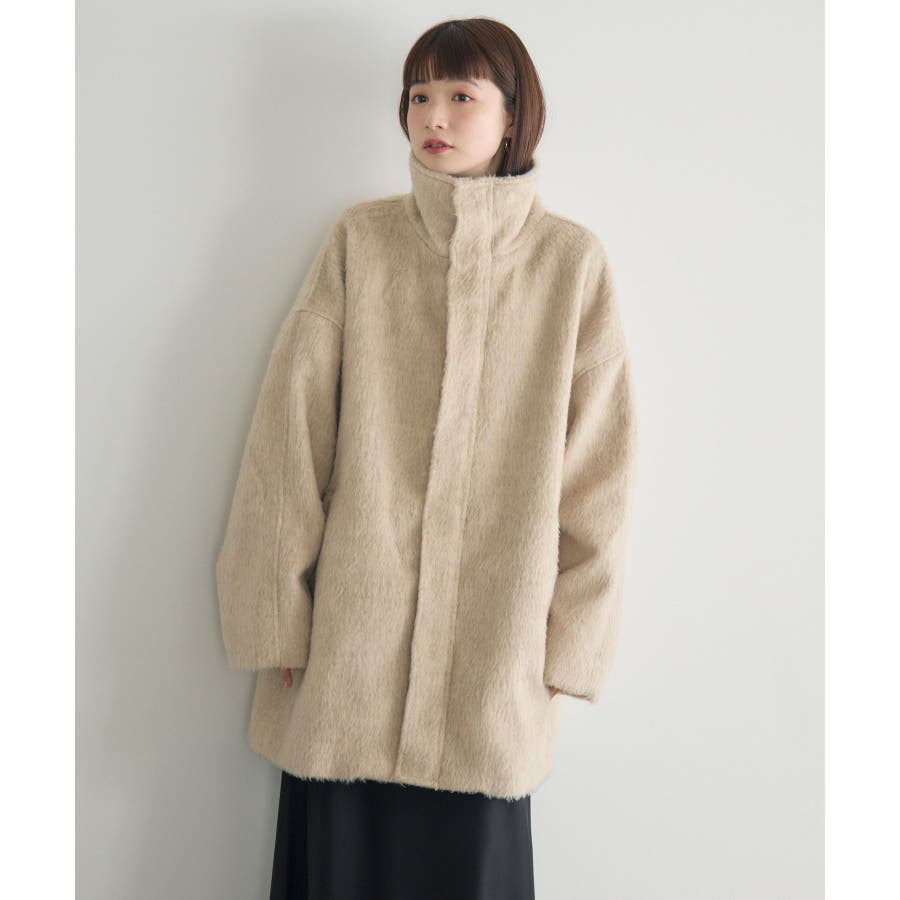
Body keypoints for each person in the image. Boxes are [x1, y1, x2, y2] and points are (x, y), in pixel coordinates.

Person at [215, 16, 639, 900]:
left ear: (514, 116)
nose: (432, 116)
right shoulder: (361, 243)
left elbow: (598, 476)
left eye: (460, 95)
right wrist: (276, 612)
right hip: (350, 656)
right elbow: (290, 436)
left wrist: (569, 646)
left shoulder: (570, 265)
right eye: (418, 96)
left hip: (493, 667)